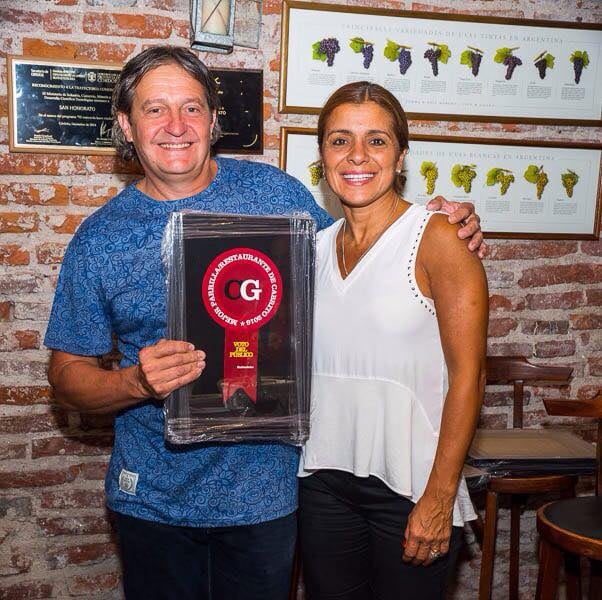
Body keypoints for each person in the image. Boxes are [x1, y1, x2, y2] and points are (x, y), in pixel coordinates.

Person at [44, 46, 484, 599]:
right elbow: (66, 377)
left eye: (192, 108)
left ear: (214, 120)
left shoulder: (279, 195)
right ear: (126, 127)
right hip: (152, 501)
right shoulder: (100, 237)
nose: (176, 126)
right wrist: (133, 381)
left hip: (269, 500)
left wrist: (447, 223)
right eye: (155, 110)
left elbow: (369, 247)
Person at [297, 81, 489, 600]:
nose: (357, 155)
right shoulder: (310, 249)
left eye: (376, 141)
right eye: (340, 141)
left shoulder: (440, 237)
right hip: (321, 482)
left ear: (400, 156)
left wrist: (440, 496)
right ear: (322, 156)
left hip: (411, 489)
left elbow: (470, 377)